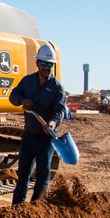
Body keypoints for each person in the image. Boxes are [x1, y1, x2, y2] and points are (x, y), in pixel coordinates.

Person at [9, 43, 66, 204]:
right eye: (44, 64)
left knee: (42, 179)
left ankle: (36, 209)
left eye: (50, 64)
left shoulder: (57, 88)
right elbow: (13, 97)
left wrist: (53, 123)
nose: (47, 67)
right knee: (23, 178)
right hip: (28, 136)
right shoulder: (27, 82)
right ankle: (17, 209)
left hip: (45, 140)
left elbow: (60, 110)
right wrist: (23, 100)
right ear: (37, 63)